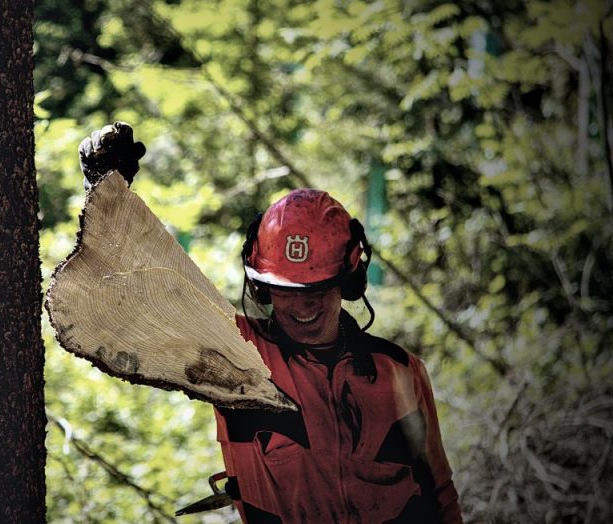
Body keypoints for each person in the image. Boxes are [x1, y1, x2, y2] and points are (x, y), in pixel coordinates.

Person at [79, 122, 462, 523]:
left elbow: (439, 493)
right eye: (285, 288)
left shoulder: (399, 372)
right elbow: (131, 303)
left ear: (348, 281)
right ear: (261, 287)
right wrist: (106, 195)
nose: (302, 304)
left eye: (319, 286)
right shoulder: (237, 353)